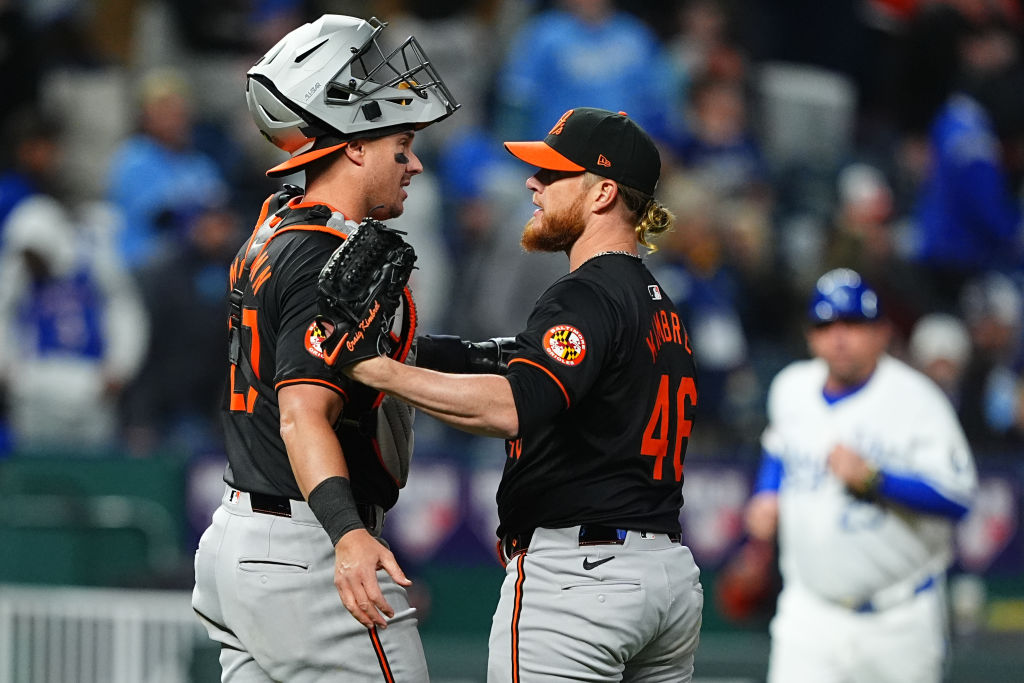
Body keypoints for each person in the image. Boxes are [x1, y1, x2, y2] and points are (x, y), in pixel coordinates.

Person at [341, 108, 704, 681]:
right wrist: (416, 348)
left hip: (580, 580)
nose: (533, 184)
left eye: (553, 174)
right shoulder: (655, 301)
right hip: (666, 581)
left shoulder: (584, 294)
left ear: (603, 192)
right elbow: (523, 356)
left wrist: (374, 368)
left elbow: (512, 405)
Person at [190, 15, 458, 682]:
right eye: (401, 144)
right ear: (355, 147)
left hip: (243, 536)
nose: (415, 162)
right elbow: (303, 412)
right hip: (304, 541)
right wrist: (347, 534)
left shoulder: (277, 223)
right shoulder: (320, 256)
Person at [743, 268, 978, 683]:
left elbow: (959, 497)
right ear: (810, 335)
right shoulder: (791, 388)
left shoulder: (917, 400)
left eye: (852, 324)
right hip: (809, 615)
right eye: (825, 325)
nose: (839, 337)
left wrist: (875, 480)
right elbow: (778, 448)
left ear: (881, 333)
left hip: (897, 621)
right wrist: (768, 493)